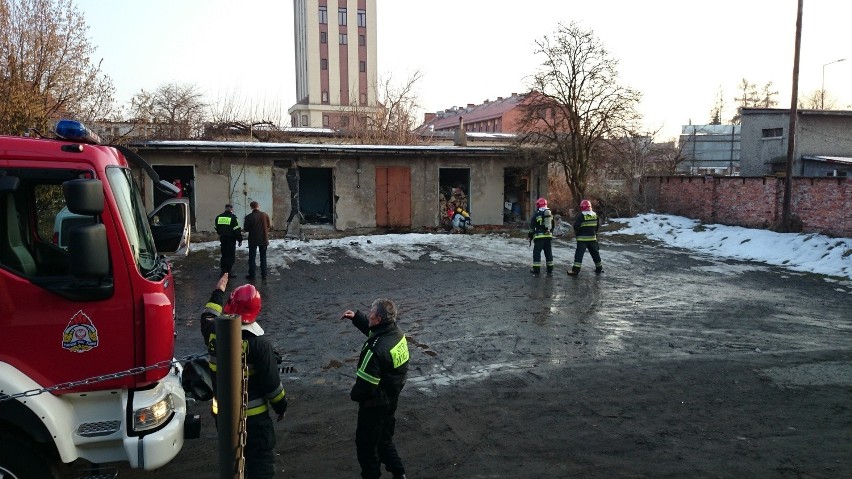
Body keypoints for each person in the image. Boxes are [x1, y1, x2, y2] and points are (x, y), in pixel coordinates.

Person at [199, 274, 288, 479]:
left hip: (224, 418)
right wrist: (281, 407)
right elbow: (273, 387)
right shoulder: (260, 345)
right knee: (260, 465)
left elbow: (207, 315)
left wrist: (218, 291)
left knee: (231, 464)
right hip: (256, 423)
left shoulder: (213, 332)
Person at [341, 299, 410, 479]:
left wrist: (354, 394)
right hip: (391, 398)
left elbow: (365, 387)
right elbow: (377, 332)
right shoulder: (397, 334)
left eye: (370, 313)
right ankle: (399, 473)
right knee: (385, 441)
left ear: (378, 319)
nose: (368, 314)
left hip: (374, 406)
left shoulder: (374, 349)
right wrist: (357, 318)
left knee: (367, 450)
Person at [567, 199, 603, 276]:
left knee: (579, 255)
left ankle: (575, 271)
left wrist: (578, 233)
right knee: (595, 254)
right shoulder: (594, 215)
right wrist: (594, 233)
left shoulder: (582, 215)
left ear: (582, 207)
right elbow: (597, 227)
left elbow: (576, 226)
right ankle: (599, 268)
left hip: (582, 239)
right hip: (592, 238)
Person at [244, 201, 271, 281]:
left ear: (251, 207)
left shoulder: (249, 217)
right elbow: (269, 226)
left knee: (252, 257)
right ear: (258, 206)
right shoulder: (265, 215)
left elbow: (246, 229)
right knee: (263, 257)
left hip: (253, 239)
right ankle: (264, 275)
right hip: (264, 239)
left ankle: (252, 274)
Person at [528, 197, 554, 275]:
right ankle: (550, 270)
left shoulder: (537, 214)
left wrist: (530, 235)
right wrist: (550, 233)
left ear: (538, 205)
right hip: (548, 237)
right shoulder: (550, 214)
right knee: (548, 253)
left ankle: (536, 270)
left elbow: (532, 227)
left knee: (537, 253)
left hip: (539, 238)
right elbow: (553, 226)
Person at [215, 204, 242, 277]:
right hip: (231, 239)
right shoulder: (233, 218)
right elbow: (237, 229)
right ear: (231, 209)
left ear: (225, 209)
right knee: (230, 255)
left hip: (223, 238)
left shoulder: (219, 217)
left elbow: (216, 227)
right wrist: (240, 239)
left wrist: (221, 233)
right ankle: (228, 272)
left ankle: (223, 271)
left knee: (224, 254)